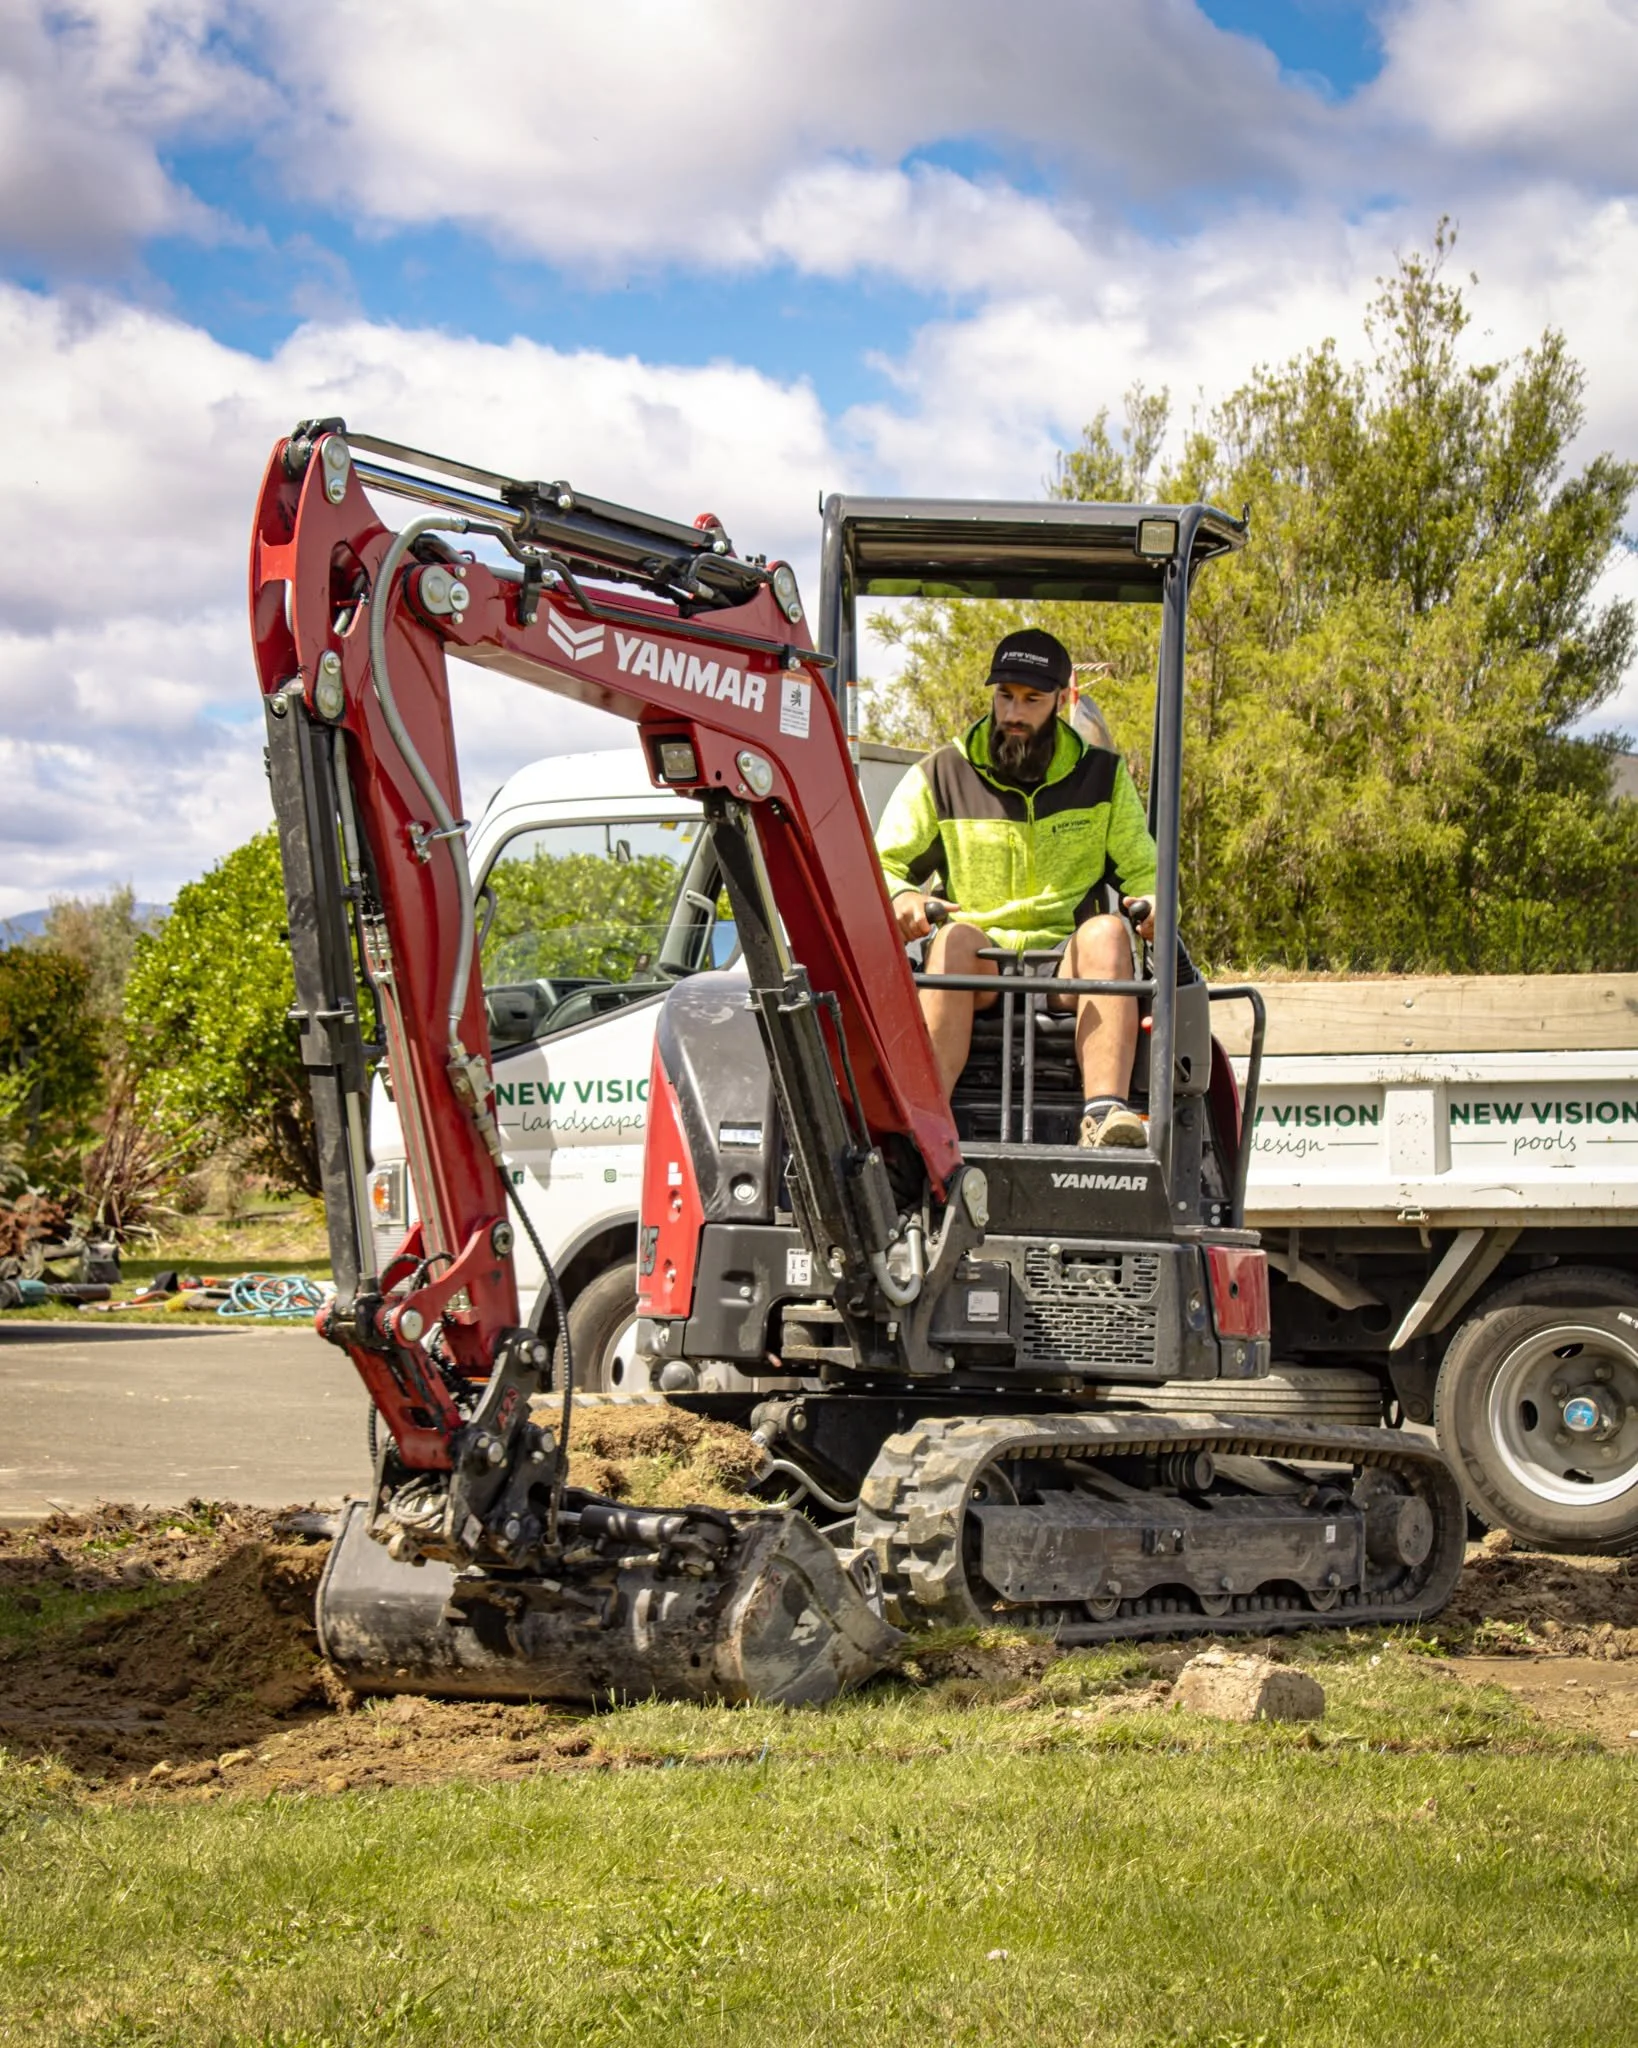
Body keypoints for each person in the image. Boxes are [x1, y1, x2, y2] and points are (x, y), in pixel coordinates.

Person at [875, 627, 1157, 1148]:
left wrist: (1156, 903)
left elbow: (1145, 873)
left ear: (1061, 700)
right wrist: (903, 897)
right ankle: (924, 1123)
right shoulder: (940, 774)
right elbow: (882, 865)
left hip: (1064, 961)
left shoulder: (1104, 777)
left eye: (1032, 699)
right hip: (980, 958)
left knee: (1107, 933)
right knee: (954, 938)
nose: (1014, 714)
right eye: (1005, 695)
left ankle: (1104, 1117)